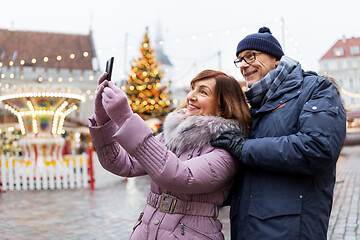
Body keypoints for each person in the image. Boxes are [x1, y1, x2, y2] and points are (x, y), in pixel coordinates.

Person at [211, 27, 347, 240]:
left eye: (250, 56)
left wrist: (244, 148)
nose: (244, 65)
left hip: (289, 230)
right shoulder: (251, 105)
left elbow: (317, 148)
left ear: (276, 58)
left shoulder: (315, 89)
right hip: (247, 229)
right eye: (240, 60)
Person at [88, 69, 252, 239]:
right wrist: (103, 120)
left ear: (222, 107)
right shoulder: (172, 136)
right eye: (192, 88)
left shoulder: (226, 152)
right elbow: (120, 163)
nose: (191, 96)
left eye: (203, 92)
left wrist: (125, 117)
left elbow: (178, 176)